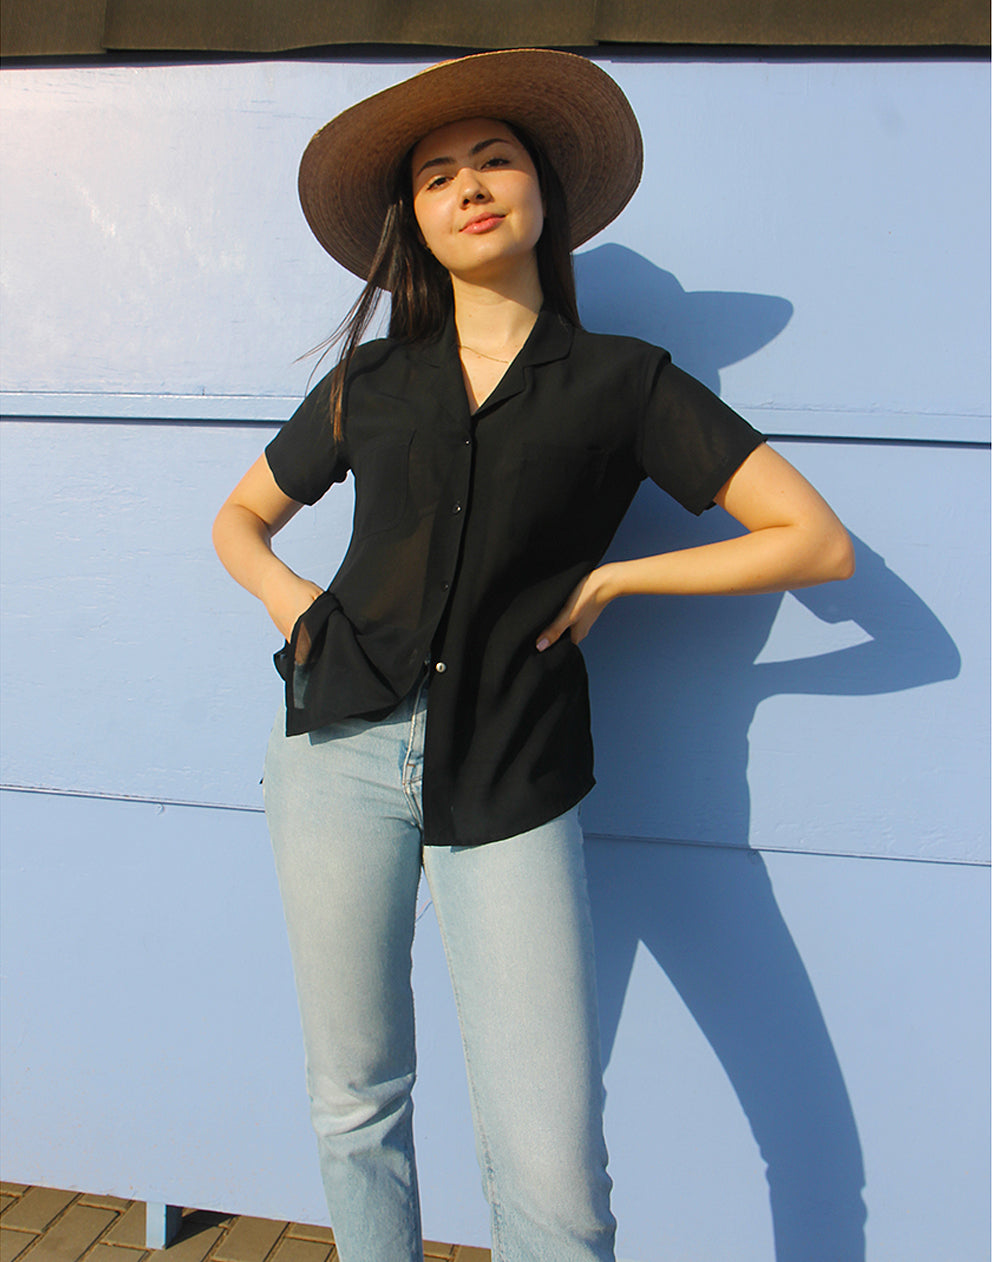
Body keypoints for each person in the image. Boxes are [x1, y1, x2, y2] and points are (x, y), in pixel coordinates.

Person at [212, 48, 854, 1262]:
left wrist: (617, 576)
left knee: (553, 1172)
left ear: (541, 193)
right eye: (436, 175)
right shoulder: (371, 380)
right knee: (355, 1097)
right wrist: (296, 607)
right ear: (413, 220)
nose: (467, 186)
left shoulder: (621, 382)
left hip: (513, 763)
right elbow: (238, 519)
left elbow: (813, 542)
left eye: (493, 160)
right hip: (336, 749)